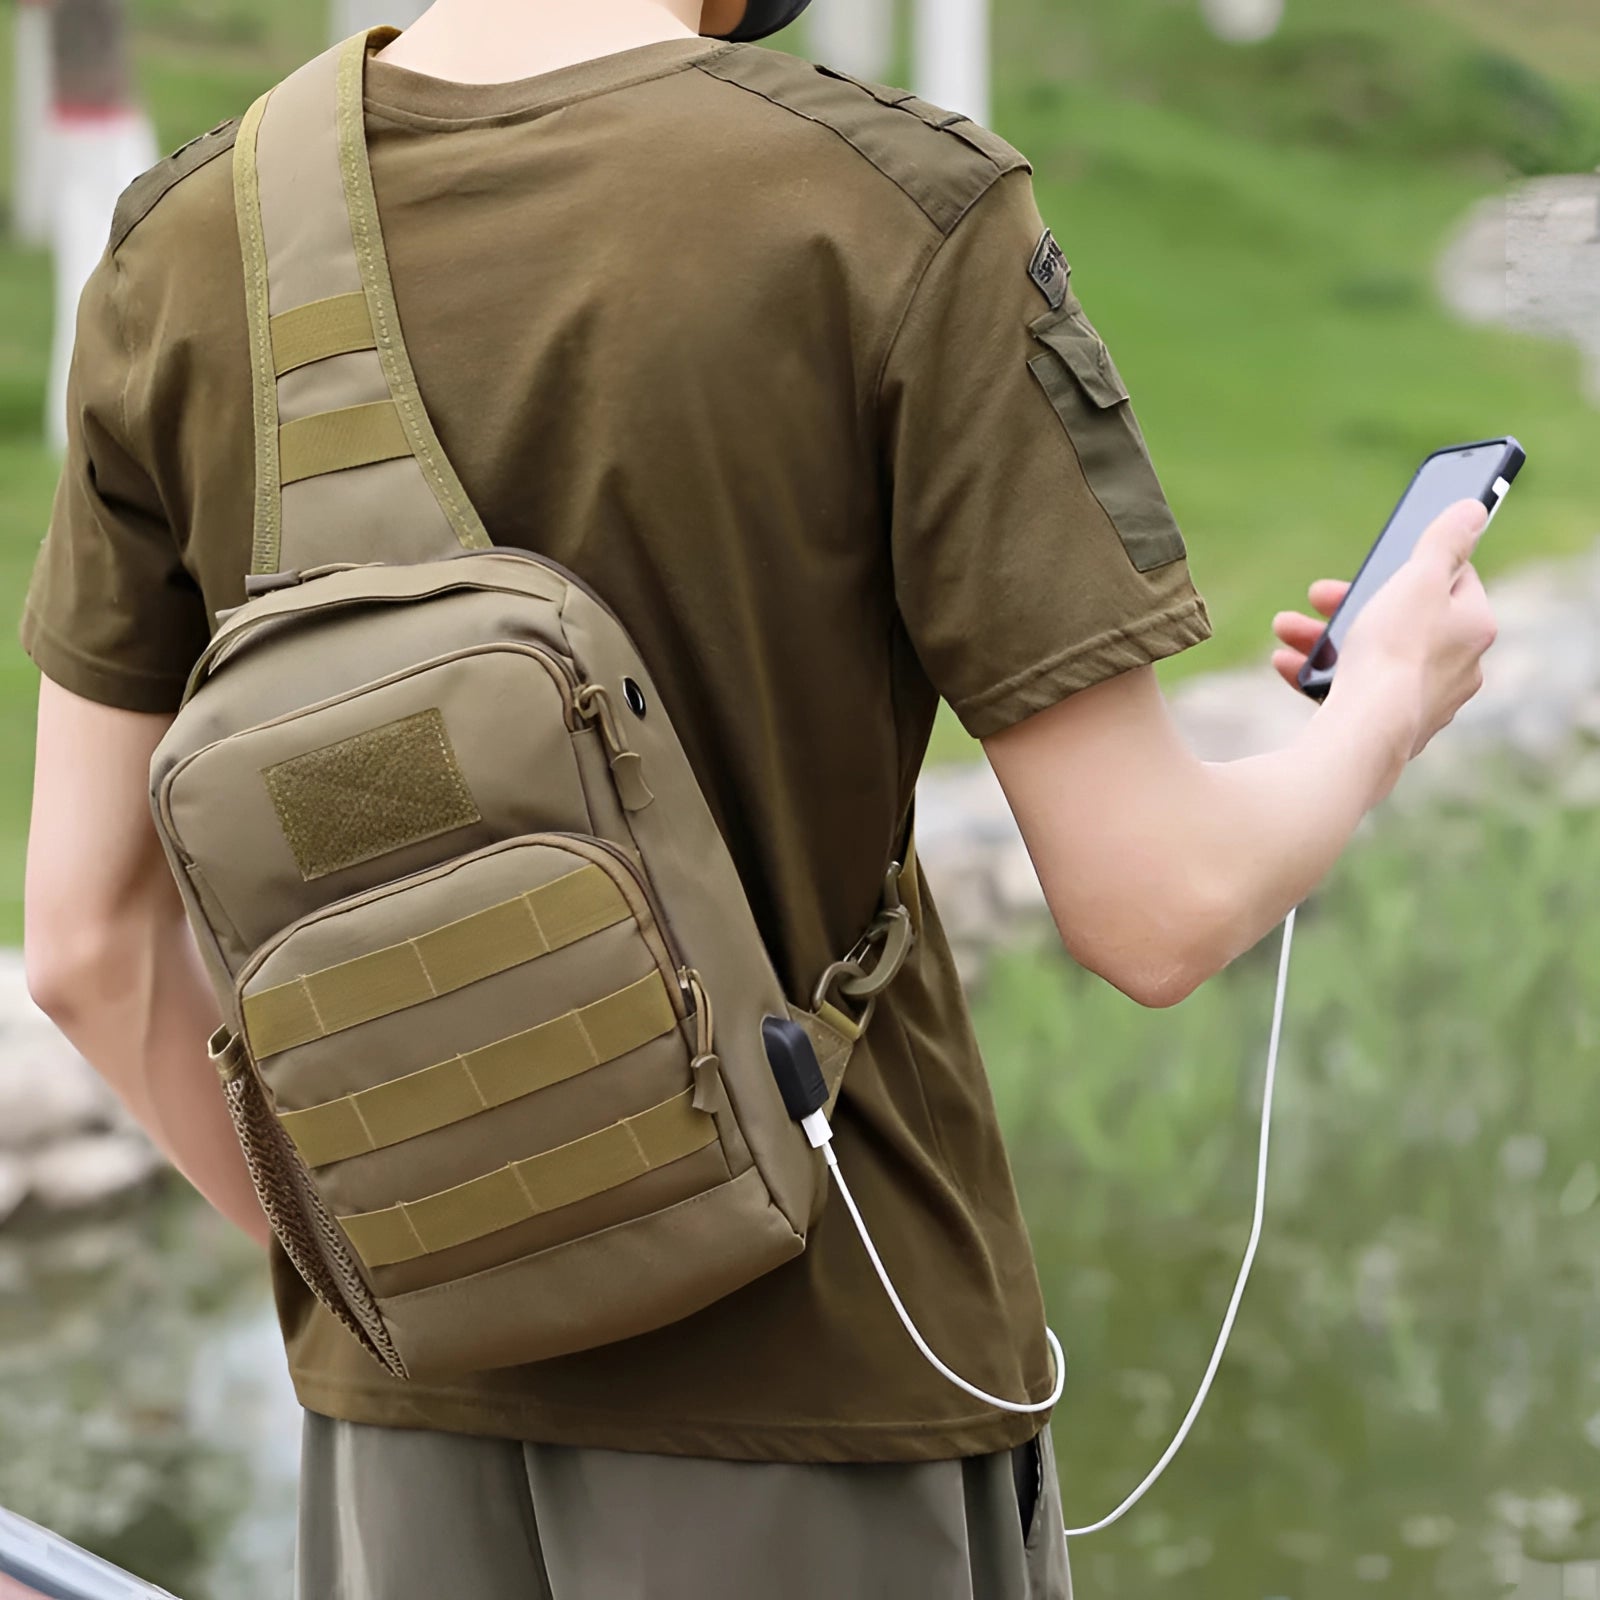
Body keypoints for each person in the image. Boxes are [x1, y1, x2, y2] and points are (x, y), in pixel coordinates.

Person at [18, 1, 1498, 1596]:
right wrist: (1387, 706)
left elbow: (87, 947)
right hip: (832, 1394)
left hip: (405, 1445)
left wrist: (435, 1250)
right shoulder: (882, 205)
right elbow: (1159, 904)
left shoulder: (181, 250)